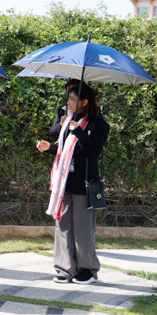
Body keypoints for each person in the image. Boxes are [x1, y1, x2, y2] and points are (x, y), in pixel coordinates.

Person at [36, 84, 109, 284]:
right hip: (64, 182)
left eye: (72, 99)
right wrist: (49, 148)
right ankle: (64, 268)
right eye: (68, 98)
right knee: (63, 226)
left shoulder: (99, 124)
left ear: (84, 102)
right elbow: (64, 151)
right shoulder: (68, 121)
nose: (67, 102)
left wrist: (80, 132)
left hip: (83, 184)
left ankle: (87, 270)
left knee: (83, 229)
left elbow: (93, 152)